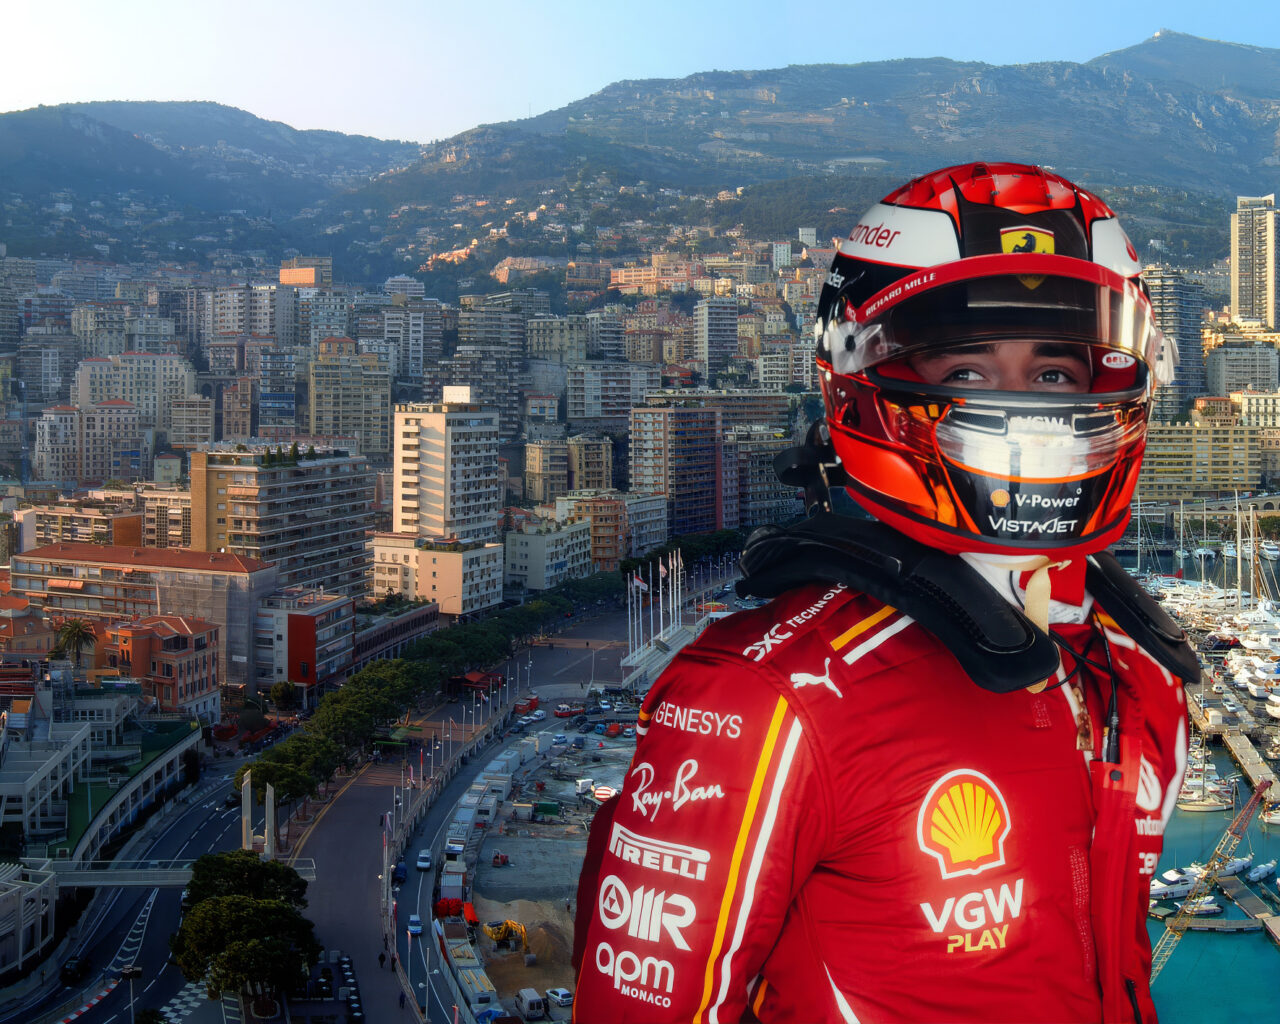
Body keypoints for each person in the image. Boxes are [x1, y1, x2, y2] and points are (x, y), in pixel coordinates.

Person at [572, 161, 1194, 1023]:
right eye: (967, 375)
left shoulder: (1141, 669)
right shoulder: (765, 700)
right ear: (859, 383)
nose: (1023, 412)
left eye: (1054, 375)